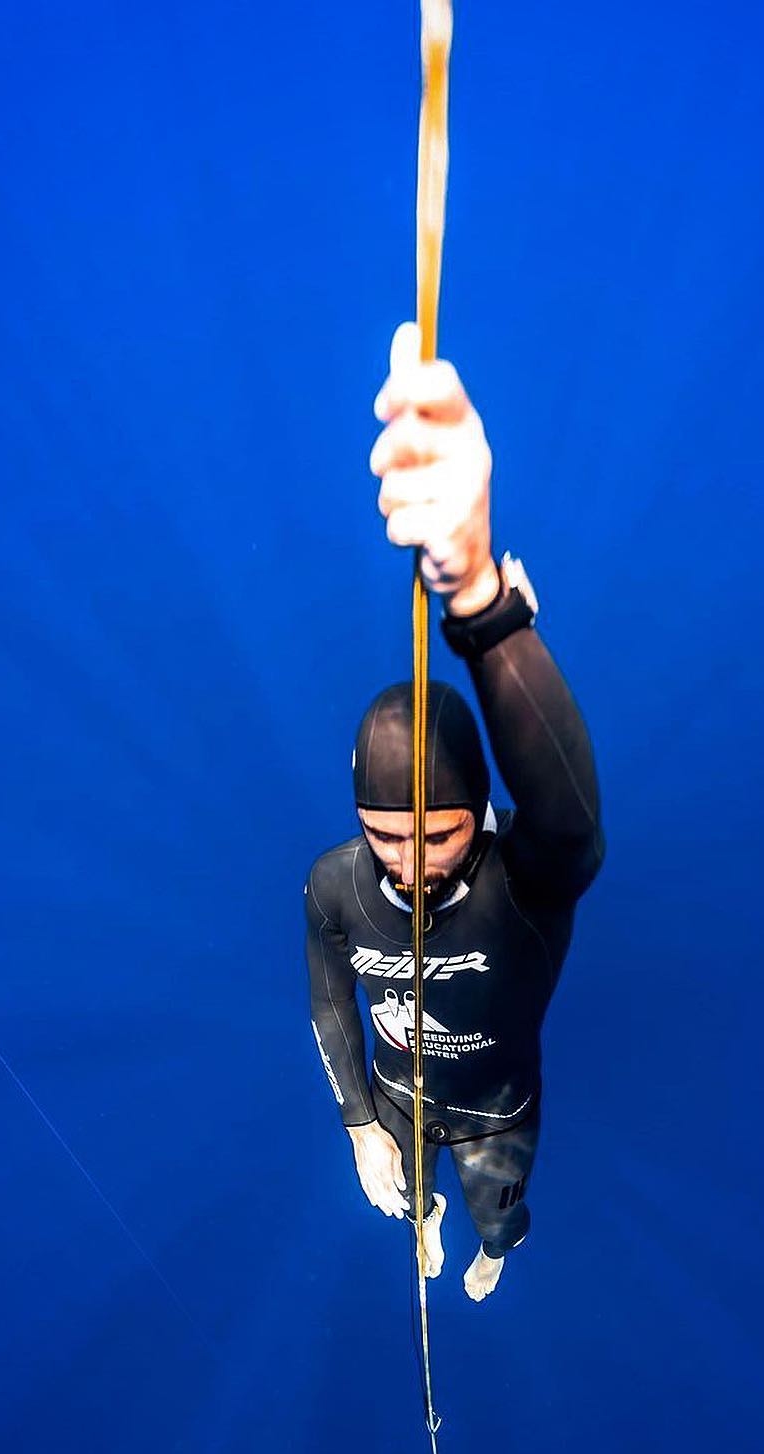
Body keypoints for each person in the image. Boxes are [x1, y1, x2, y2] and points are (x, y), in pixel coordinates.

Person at [304, 322, 604, 1300]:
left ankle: (490, 1247)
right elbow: (324, 998)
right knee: (411, 1198)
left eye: (441, 836)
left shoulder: (526, 876)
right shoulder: (334, 884)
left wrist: (477, 598)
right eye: (384, 837)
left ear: (482, 813)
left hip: (495, 1111)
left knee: (498, 1216)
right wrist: (356, 1124)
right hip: (398, 1100)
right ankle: (432, 1215)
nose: (411, 866)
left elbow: (568, 824)